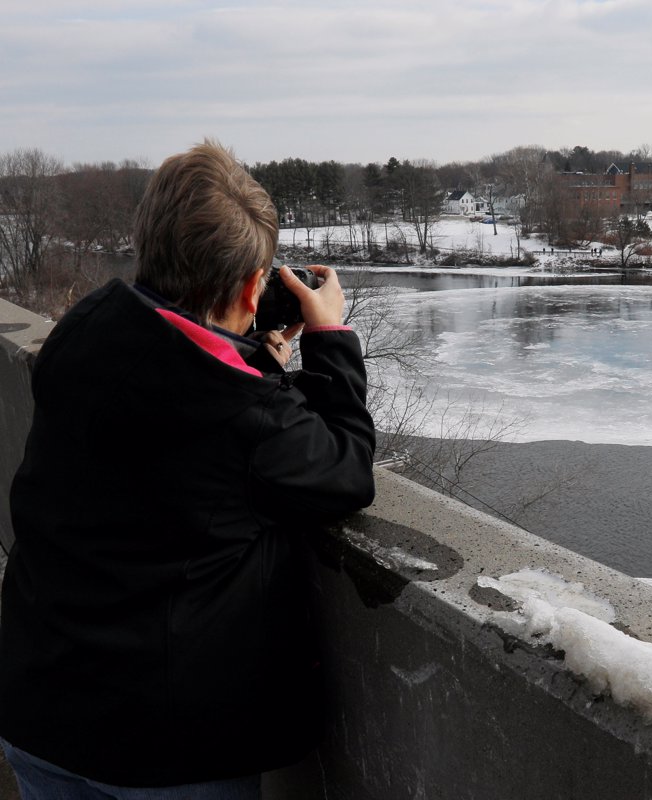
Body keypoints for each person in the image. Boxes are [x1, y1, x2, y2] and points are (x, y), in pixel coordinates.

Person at [0, 140, 376, 798]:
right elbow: (344, 471)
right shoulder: (242, 414)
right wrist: (332, 340)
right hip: (161, 753)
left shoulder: (86, 328)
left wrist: (252, 356)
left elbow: (174, 396)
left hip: (38, 707)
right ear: (250, 286)